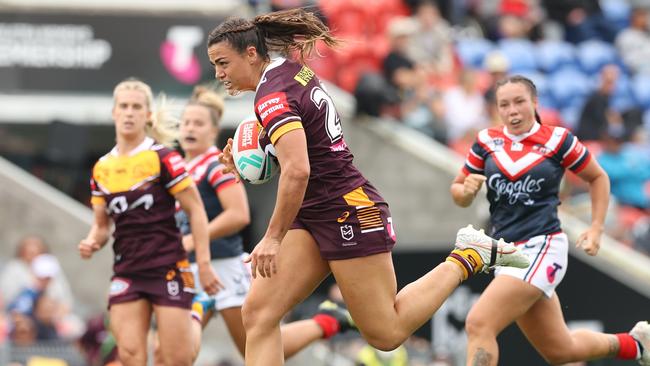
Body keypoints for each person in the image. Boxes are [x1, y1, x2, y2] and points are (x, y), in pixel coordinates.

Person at [208, 9, 529, 366]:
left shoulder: (271, 95)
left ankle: (469, 255)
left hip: (346, 209)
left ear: (251, 53)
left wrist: (272, 237)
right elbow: (302, 132)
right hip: (317, 209)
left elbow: (298, 170)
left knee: (386, 333)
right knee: (258, 313)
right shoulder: (286, 71)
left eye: (223, 63)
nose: (219, 74)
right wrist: (255, 146)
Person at [451, 75, 650, 366]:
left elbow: (598, 177)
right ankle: (635, 345)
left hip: (540, 247)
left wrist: (596, 228)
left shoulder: (558, 140)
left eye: (519, 101)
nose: (512, 110)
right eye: (504, 104)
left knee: (479, 323)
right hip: (505, 255)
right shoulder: (486, 141)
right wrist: (465, 192)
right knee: (560, 350)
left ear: (535, 102)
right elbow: (458, 189)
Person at [174, 87, 373, 359]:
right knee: (173, 352)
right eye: (185, 122)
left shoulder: (214, 165)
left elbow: (239, 215)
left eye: (198, 123)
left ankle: (325, 322)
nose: (190, 129)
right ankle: (325, 321)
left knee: (256, 344)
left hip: (224, 269)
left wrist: (193, 239)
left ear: (214, 130)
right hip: (193, 267)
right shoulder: (179, 168)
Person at [78, 78, 221, 366]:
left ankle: (197, 309)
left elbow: (196, 211)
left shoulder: (163, 158)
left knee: (176, 359)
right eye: (124, 106)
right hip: (128, 270)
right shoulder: (102, 168)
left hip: (167, 266)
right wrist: (93, 239)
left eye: (136, 107)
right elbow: (102, 225)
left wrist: (203, 265)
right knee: (130, 355)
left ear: (148, 115)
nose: (129, 112)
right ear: (114, 113)